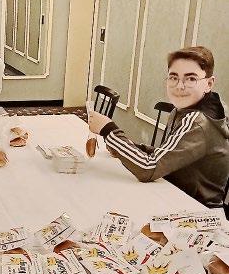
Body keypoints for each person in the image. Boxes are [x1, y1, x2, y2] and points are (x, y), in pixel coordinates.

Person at [89, 46, 229, 209]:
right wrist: (135, 148)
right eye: (174, 77)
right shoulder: (188, 109)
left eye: (191, 79)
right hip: (175, 195)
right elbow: (172, 153)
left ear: (209, 84)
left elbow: (148, 169)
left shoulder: (197, 121)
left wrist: (108, 130)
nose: (180, 86)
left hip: (196, 210)